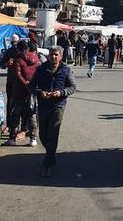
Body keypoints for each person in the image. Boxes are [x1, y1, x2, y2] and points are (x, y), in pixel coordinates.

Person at [29, 45, 76, 177]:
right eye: (51, 54)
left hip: (58, 105)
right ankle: (51, 155)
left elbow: (72, 87)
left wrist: (61, 92)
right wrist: (40, 93)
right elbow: (31, 86)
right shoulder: (41, 69)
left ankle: (47, 164)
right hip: (43, 105)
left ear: (60, 56)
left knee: (53, 134)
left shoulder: (66, 70)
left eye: (56, 55)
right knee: (43, 135)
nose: (53, 57)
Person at [5, 41, 39, 146]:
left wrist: (25, 84)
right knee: (31, 114)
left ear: (18, 49)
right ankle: (33, 139)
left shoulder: (18, 59)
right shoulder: (36, 58)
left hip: (19, 91)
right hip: (31, 91)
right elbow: (38, 73)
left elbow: (18, 74)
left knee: (15, 115)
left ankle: (12, 138)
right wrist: (31, 86)